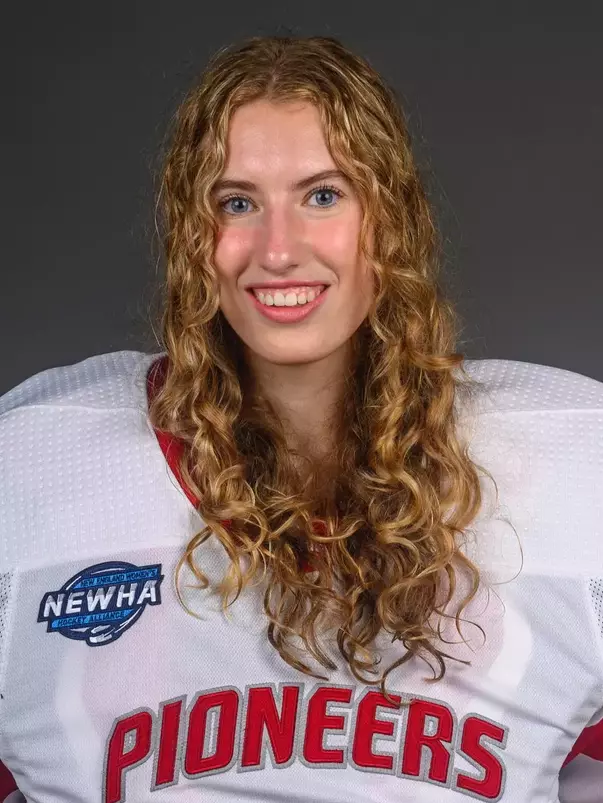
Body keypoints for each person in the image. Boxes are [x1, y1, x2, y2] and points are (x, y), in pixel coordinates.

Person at [0, 34, 601, 803]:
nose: (277, 250)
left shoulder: (574, 456)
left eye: (323, 195)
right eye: (237, 203)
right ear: (193, 236)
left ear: (388, 219)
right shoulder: (34, 462)